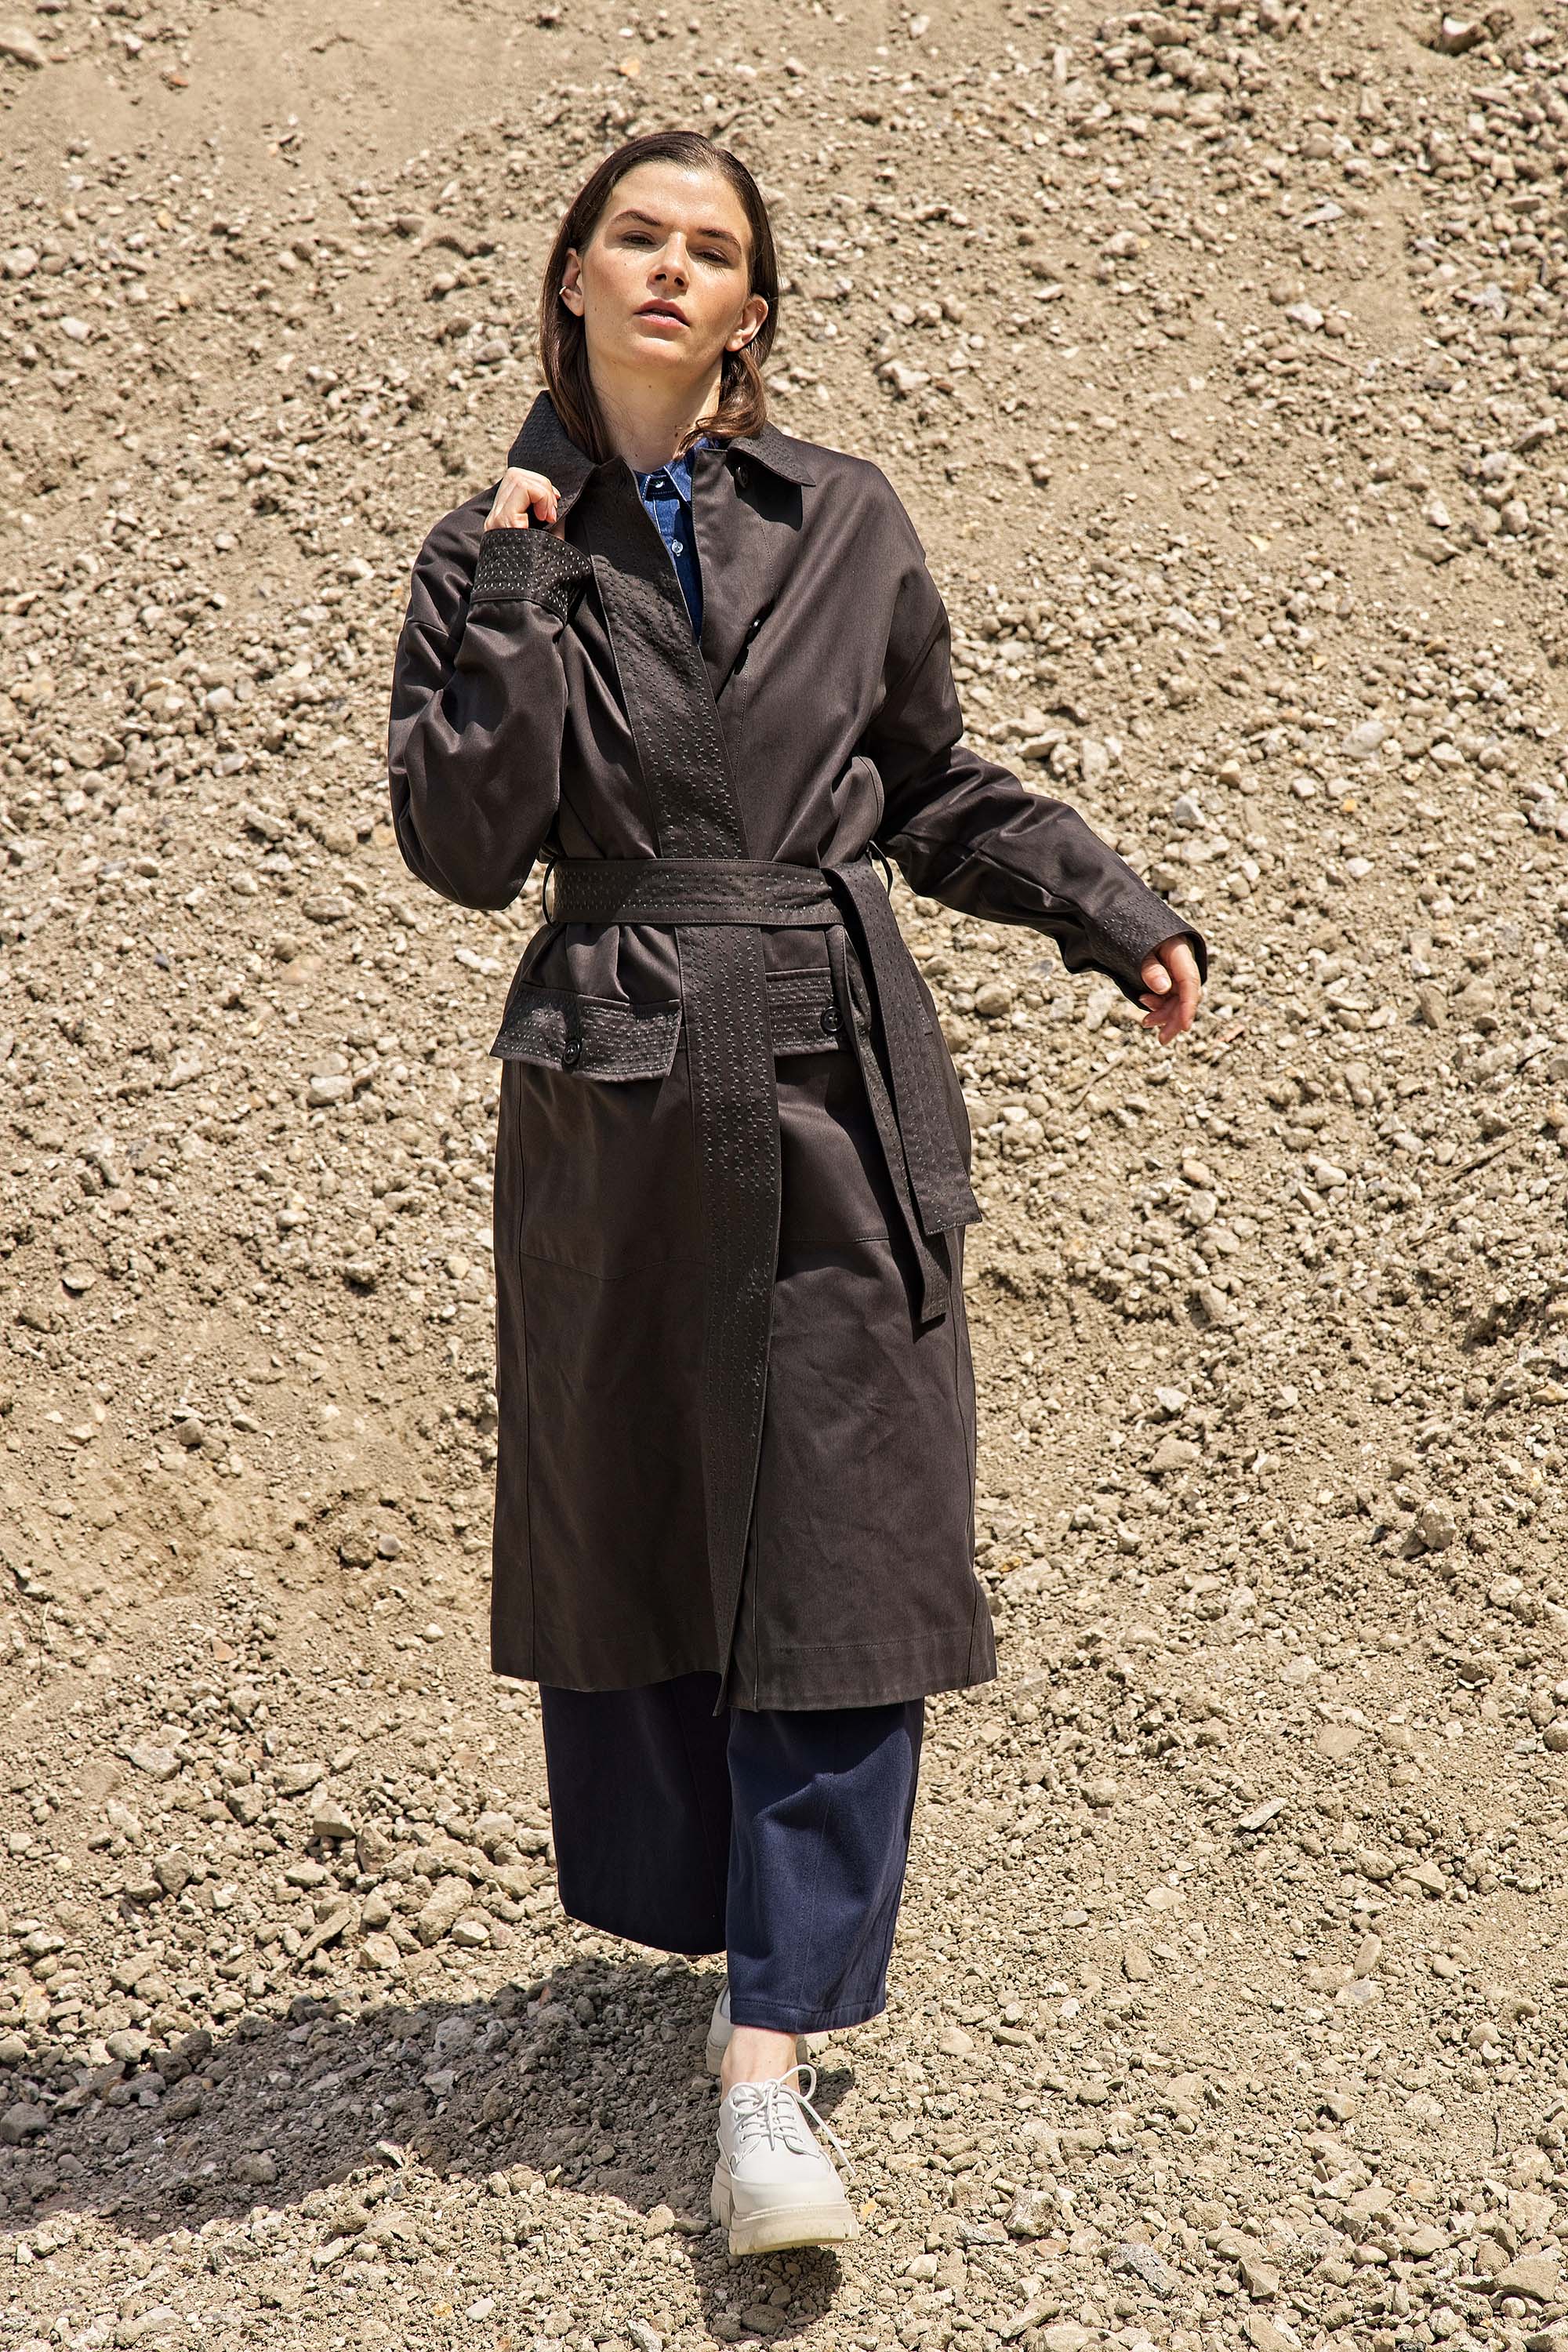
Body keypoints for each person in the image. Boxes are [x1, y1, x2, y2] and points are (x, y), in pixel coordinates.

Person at [387, 129, 1206, 2258]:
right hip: (618, 1098)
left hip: (837, 1074)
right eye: (636, 237)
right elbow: (466, 848)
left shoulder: (842, 515)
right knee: (649, 1519)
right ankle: (716, 1925)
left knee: (849, 1536)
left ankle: (770, 2070)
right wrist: (512, 583)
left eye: (713, 249)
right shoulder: (487, 551)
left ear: (752, 307)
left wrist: (1103, 906)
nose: (672, 269)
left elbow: (924, 777)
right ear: (574, 277)